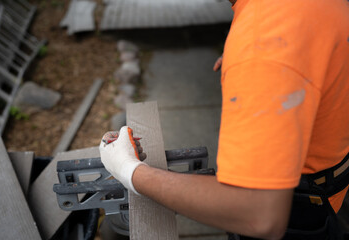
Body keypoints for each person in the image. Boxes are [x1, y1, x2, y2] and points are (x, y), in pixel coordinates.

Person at [99, 0, 349, 239]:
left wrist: (129, 170)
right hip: (328, 187)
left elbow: (259, 214)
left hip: (303, 216)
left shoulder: (261, 38)